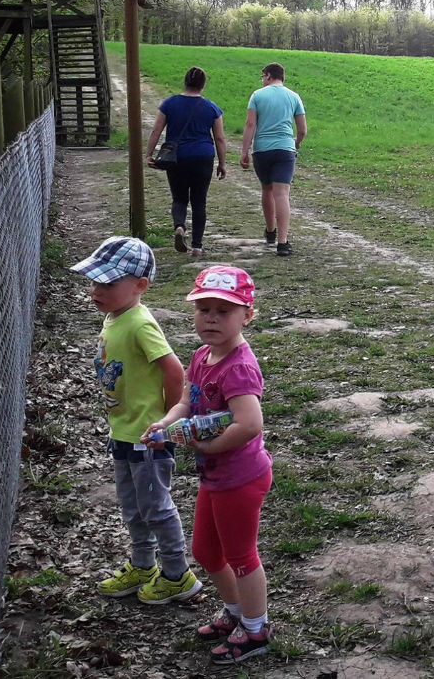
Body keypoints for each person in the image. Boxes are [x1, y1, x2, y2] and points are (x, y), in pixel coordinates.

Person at [144, 265, 274, 665]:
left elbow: (249, 424)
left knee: (241, 556)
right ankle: (235, 612)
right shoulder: (202, 356)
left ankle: (256, 629)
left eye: (224, 311)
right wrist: (166, 424)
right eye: (204, 310)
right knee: (205, 550)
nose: (211, 319)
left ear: (247, 316)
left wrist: (212, 447)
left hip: (241, 477)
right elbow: (187, 401)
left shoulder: (238, 367)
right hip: (215, 475)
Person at [70, 236, 202, 605]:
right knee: (133, 507)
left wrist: (168, 419)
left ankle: (177, 574)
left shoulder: (140, 323)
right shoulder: (115, 316)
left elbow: (173, 370)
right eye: (94, 282)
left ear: (140, 286)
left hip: (148, 436)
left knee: (156, 507)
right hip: (124, 432)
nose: (97, 291)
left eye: (108, 283)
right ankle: (143, 565)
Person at [145, 66, 226, 256]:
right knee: (199, 201)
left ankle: (180, 227)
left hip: (177, 158)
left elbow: (156, 130)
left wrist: (149, 153)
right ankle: (197, 246)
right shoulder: (212, 108)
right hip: (203, 157)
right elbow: (220, 138)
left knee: (179, 198)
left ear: (185, 82)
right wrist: (222, 163)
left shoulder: (169, 104)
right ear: (203, 84)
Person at [241, 62, 306, 257]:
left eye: (263, 76)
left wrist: (245, 151)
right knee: (282, 194)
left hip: (262, 150)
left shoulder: (257, 95)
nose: (262, 80)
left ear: (269, 76)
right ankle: (282, 242)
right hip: (285, 149)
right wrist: (297, 142)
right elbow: (302, 130)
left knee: (267, 189)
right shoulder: (294, 96)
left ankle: (270, 231)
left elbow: (250, 124)